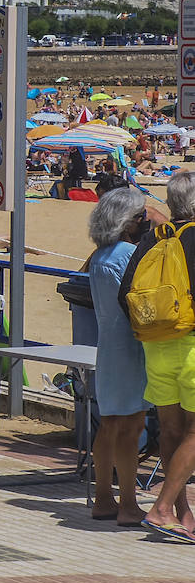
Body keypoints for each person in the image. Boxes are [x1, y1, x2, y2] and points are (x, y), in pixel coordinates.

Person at [119, 170, 195, 541]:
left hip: (156, 343)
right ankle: (162, 506)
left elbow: (126, 296)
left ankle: (182, 513)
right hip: (192, 344)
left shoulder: (152, 238)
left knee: (170, 429)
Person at [86, 187, 151, 527]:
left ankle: (103, 497)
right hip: (131, 346)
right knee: (132, 423)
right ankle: (127, 501)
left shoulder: (100, 256)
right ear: (128, 223)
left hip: (108, 345)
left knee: (109, 422)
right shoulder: (129, 254)